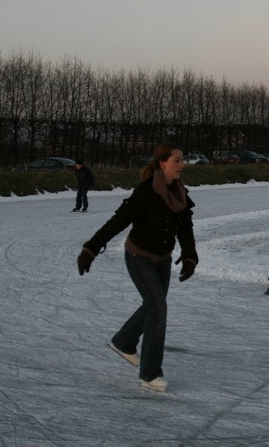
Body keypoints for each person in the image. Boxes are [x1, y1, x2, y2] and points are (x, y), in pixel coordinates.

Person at [76, 143, 198, 393]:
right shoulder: (145, 192)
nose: (182, 164)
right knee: (157, 308)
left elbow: (185, 227)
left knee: (153, 306)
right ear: (162, 163)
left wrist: (189, 256)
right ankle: (150, 374)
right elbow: (119, 221)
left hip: (163, 260)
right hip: (139, 257)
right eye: (177, 160)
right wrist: (91, 249)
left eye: (182, 160)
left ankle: (124, 341)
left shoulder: (180, 193)